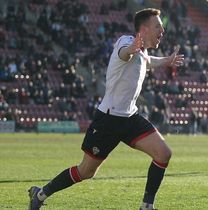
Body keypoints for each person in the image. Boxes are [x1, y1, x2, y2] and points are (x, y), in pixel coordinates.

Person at [28, 8, 184, 210]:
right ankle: (40, 194)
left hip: (130, 118)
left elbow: (149, 62)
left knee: (163, 154)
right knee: (86, 171)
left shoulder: (143, 52)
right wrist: (132, 48)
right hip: (108, 120)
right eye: (158, 27)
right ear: (143, 29)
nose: (162, 31)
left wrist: (166, 60)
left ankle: (147, 206)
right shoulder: (126, 42)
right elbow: (124, 53)